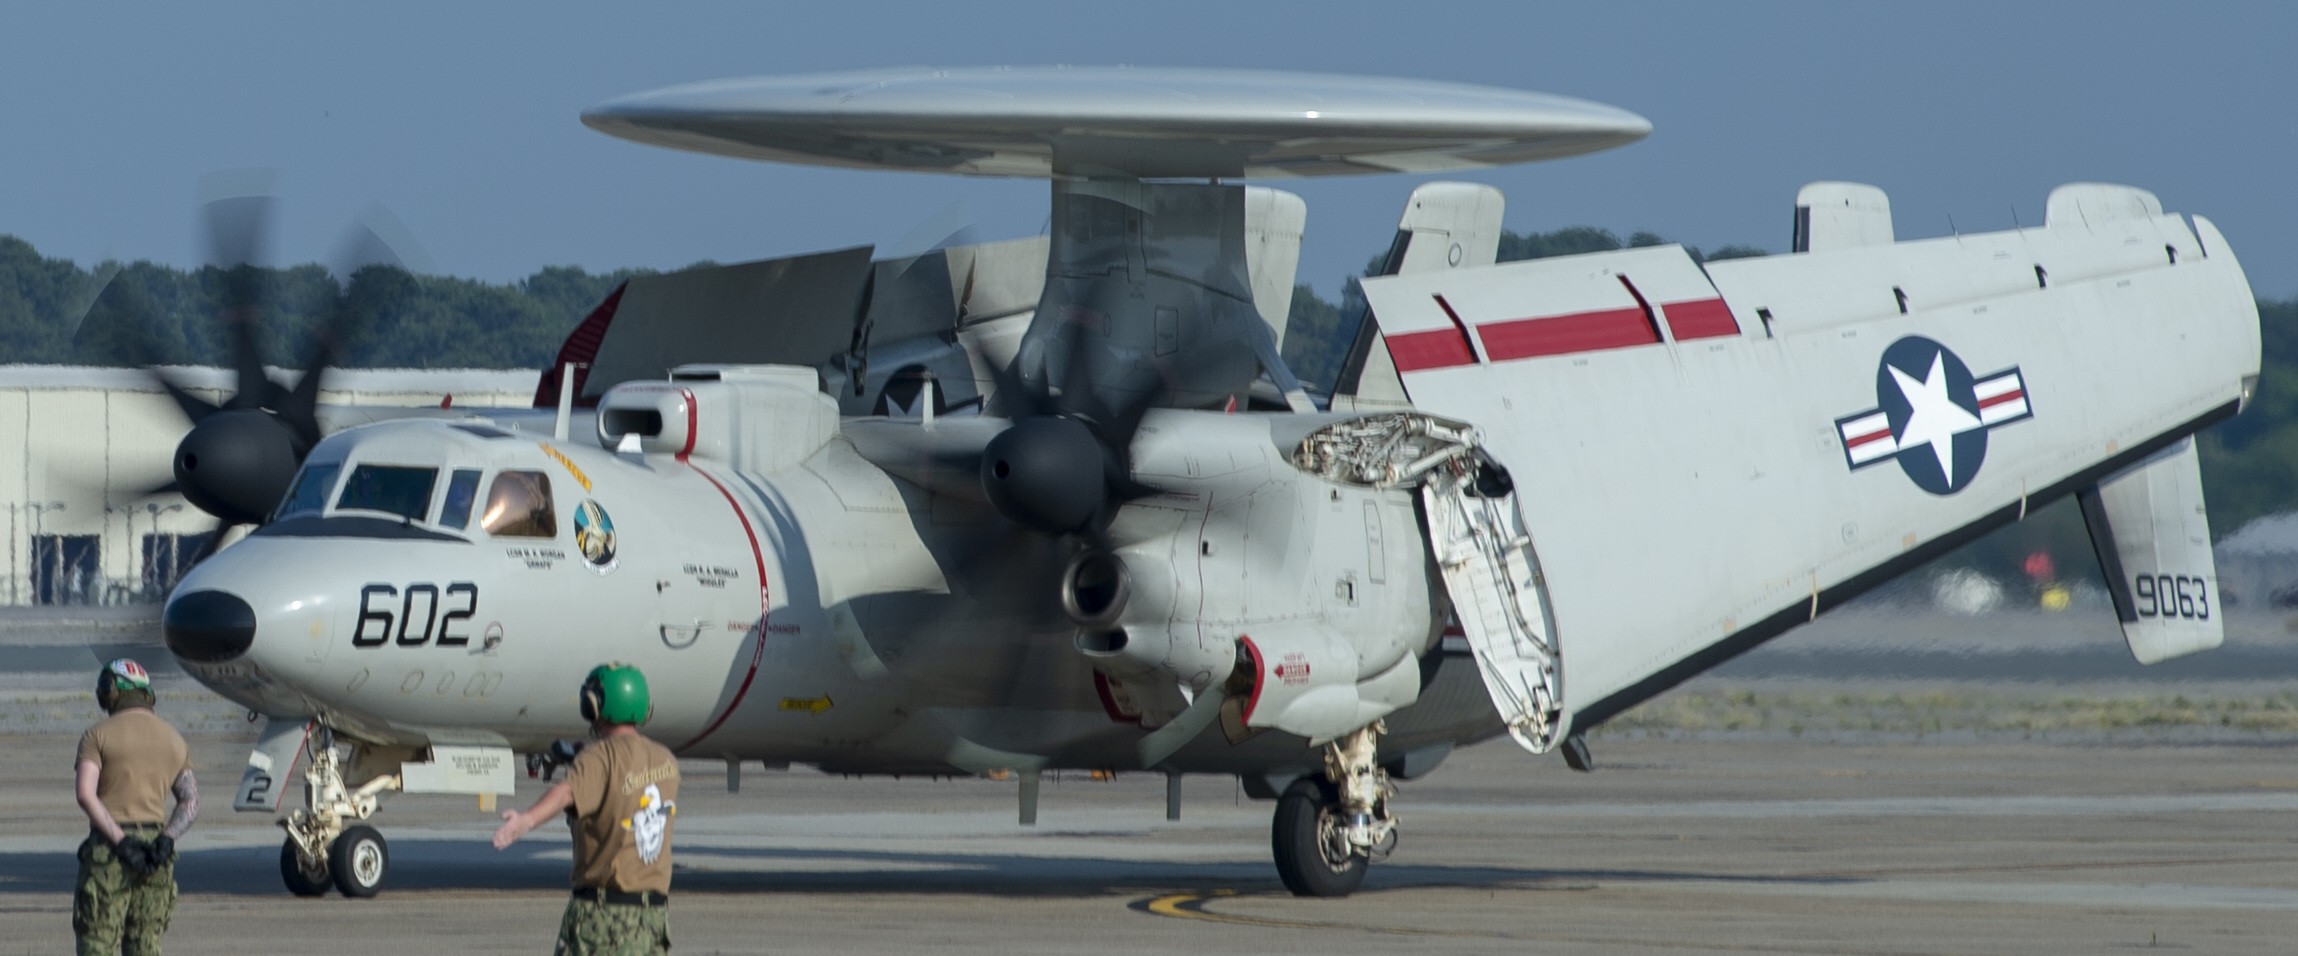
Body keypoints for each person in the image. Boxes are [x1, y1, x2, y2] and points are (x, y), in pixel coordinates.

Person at [493, 663, 679, 955]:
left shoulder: (597, 759)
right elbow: (626, 786)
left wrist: (526, 820)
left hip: (602, 918)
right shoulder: (665, 761)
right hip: (652, 919)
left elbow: (567, 792)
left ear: (594, 706)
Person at [74, 658, 197, 956]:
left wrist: (121, 841)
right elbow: (190, 802)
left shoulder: (97, 735)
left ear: (111, 690)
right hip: (156, 854)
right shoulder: (175, 740)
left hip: (109, 851)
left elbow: (85, 794)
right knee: (146, 944)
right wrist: (167, 840)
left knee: (97, 943)